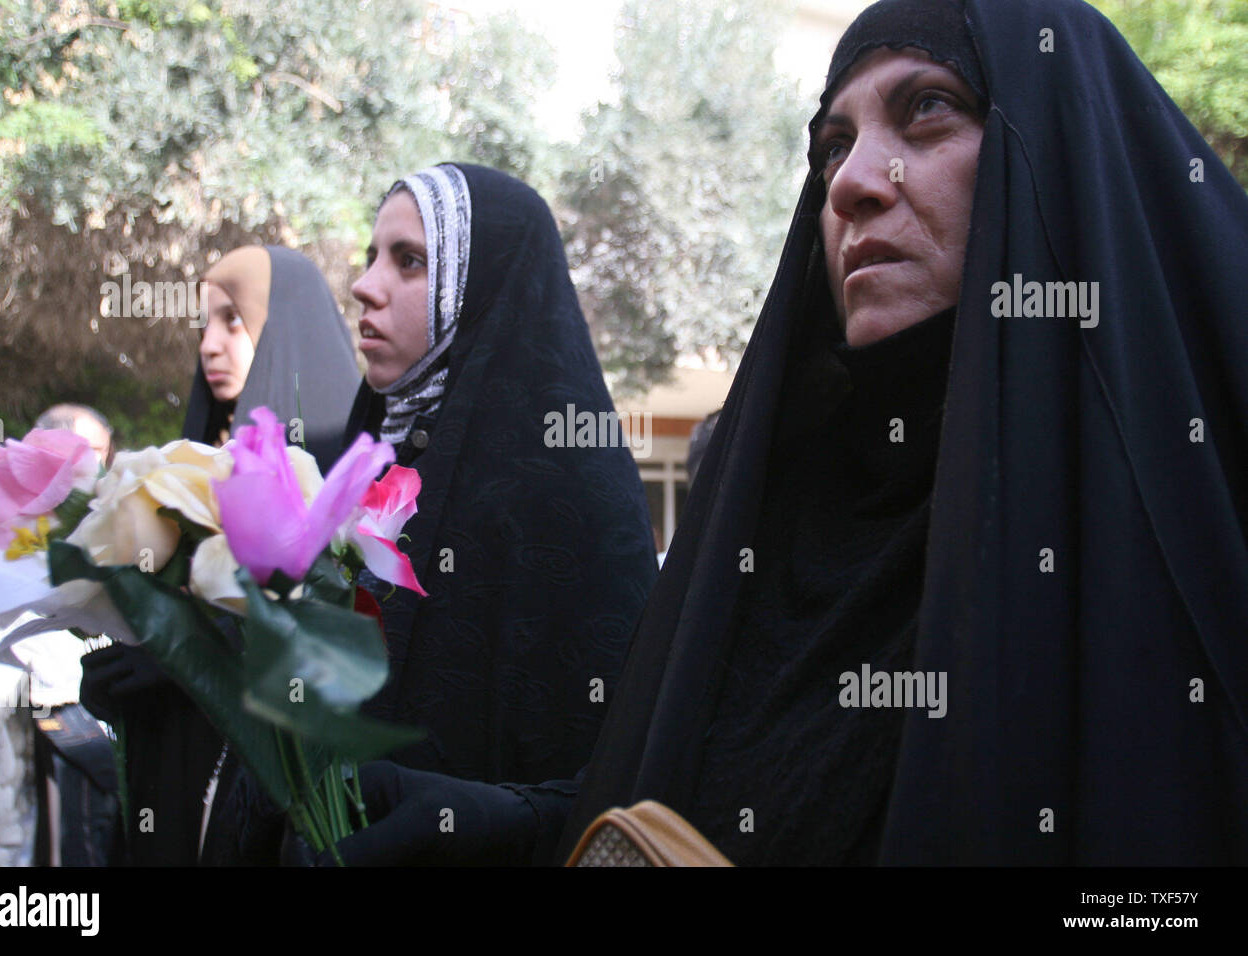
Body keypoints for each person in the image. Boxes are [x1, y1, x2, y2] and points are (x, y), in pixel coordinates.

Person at [324, 0, 1248, 866]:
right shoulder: (770, 516)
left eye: (927, 110)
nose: (849, 183)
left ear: (1058, 150)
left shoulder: (1168, 531)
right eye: (833, 144)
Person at [213, 164, 660, 864]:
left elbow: (627, 779)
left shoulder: (570, 495)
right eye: (370, 257)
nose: (364, 284)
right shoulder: (368, 464)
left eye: (410, 261)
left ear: (481, 291)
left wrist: (483, 815)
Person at [79, 246, 361, 865]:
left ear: (283, 326)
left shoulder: (340, 472)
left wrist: (193, 664)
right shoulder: (187, 462)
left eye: (233, 320)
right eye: (204, 323)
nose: (209, 345)